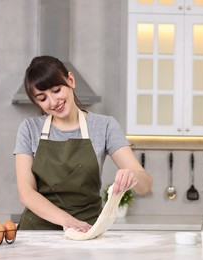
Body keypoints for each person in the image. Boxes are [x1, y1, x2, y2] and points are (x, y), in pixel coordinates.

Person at [14, 55, 152, 232]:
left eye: (56, 90)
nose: (53, 102)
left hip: (87, 230)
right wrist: (68, 221)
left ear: (71, 80)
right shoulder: (29, 128)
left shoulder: (105, 126)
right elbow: (26, 193)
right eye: (42, 98)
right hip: (38, 232)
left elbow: (145, 185)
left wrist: (133, 177)